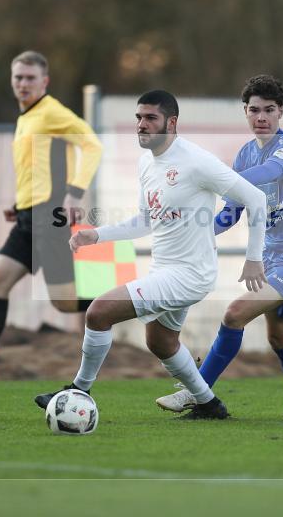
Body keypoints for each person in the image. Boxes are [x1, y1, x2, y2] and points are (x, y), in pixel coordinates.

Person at [33, 89, 267, 419]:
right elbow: (145, 221)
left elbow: (255, 198)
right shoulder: (147, 163)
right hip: (164, 270)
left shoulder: (197, 162)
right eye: (138, 118)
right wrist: (96, 234)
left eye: (150, 118)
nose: (141, 125)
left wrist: (254, 258)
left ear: (171, 123)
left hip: (190, 274)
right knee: (160, 341)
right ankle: (209, 404)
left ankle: (78, 389)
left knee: (99, 312)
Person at [155, 75, 283, 416]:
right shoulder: (245, 154)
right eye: (254, 110)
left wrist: (212, 179)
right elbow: (231, 213)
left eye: (269, 109)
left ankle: (198, 391)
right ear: (245, 112)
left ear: (281, 111)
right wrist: (196, 231)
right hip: (272, 259)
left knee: (234, 314)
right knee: (279, 338)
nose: (262, 117)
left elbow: (268, 172)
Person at [0, 50, 103, 381]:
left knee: (65, 304)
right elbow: (36, 168)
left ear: (45, 81)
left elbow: (93, 145)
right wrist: (21, 204)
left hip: (49, 220)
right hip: (28, 219)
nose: (23, 83)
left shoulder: (52, 112)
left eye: (30, 78)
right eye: (18, 78)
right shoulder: (26, 117)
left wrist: (74, 192)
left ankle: (135, 298)